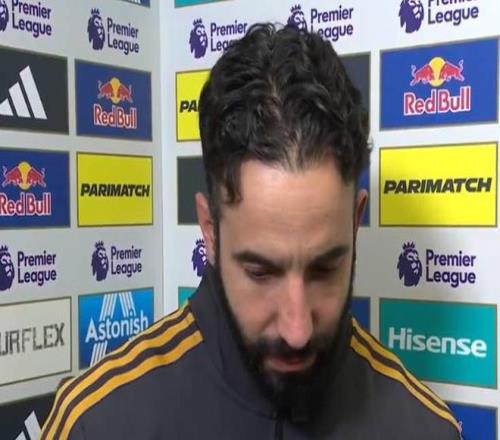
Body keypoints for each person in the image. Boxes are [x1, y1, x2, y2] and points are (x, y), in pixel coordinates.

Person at [40, 23, 461, 439]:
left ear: (355, 222)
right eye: (261, 272)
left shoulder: (424, 430)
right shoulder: (97, 424)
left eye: (324, 270)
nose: (297, 330)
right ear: (210, 230)